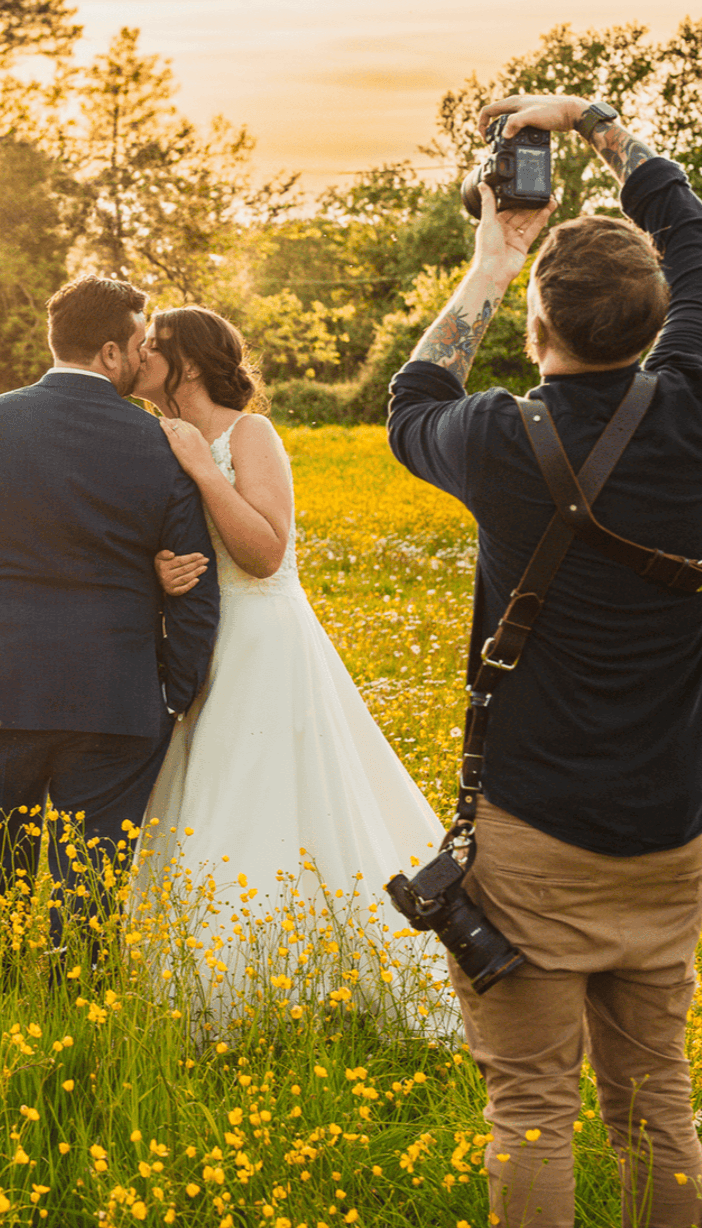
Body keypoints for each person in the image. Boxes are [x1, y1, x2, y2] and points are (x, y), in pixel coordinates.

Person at [387, 94, 702, 1228]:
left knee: (533, 1107)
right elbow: (696, 235)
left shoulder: (497, 436)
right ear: (659, 317)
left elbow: (411, 399)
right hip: (667, 833)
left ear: (539, 319)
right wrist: (595, 119)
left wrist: (492, 258)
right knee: (656, 1098)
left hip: (533, 834)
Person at [131, 306, 448, 1016]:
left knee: (263, 795)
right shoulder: (151, 434)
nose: (139, 352)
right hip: (194, 642)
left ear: (189, 361)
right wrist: (159, 569)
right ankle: (202, 979)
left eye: (153, 343)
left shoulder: (248, 434)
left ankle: (293, 982)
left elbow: (267, 551)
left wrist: (200, 467)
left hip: (261, 638)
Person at [0, 275, 220, 950]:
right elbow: (196, 586)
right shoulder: (163, 443)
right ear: (111, 353)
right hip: (117, 696)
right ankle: (76, 999)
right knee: (88, 894)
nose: (145, 357)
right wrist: (173, 691)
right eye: (140, 344)